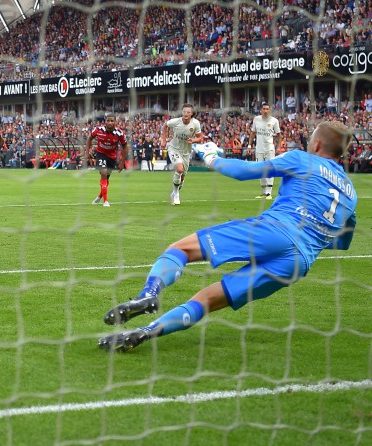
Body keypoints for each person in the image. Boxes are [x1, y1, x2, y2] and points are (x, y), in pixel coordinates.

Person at [98, 121, 358, 352]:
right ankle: (147, 331)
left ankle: (148, 293)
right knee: (209, 300)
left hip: (274, 230)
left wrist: (211, 158)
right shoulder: (351, 194)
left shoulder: (304, 159)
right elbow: (343, 241)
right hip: (298, 262)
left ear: (318, 143)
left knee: (181, 249)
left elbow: (246, 172)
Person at [160, 103, 204, 205]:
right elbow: (165, 125)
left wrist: (193, 140)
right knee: (179, 169)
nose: (186, 113)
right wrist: (163, 140)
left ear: (192, 114)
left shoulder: (195, 124)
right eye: (184, 111)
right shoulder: (176, 121)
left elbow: (200, 137)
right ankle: (176, 194)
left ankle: (175, 192)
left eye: (188, 112)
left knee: (182, 178)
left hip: (186, 152)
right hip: (174, 149)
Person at [86, 115, 128, 207]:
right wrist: (87, 153)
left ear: (115, 122)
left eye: (112, 121)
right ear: (105, 122)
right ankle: (106, 201)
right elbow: (89, 138)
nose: (109, 123)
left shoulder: (120, 133)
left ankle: (99, 197)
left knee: (106, 179)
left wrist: (122, 162)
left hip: (112, 157)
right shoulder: (98, 130)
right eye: (108, 121)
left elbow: (125, 146)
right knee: (104, 173)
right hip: (101, 154)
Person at [249, 102, 282, 200]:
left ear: (270, 110)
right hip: (259, 149)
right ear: (261, 110)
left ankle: (269, 193)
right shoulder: (256, 119)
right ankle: (263, 192)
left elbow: (279, 135)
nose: (265, 111)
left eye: (267, 109)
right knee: (260, 170)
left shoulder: (274, 121)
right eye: (264, 109)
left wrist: (279, 146)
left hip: (269, 149)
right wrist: (250, 145)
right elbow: (253, 133)